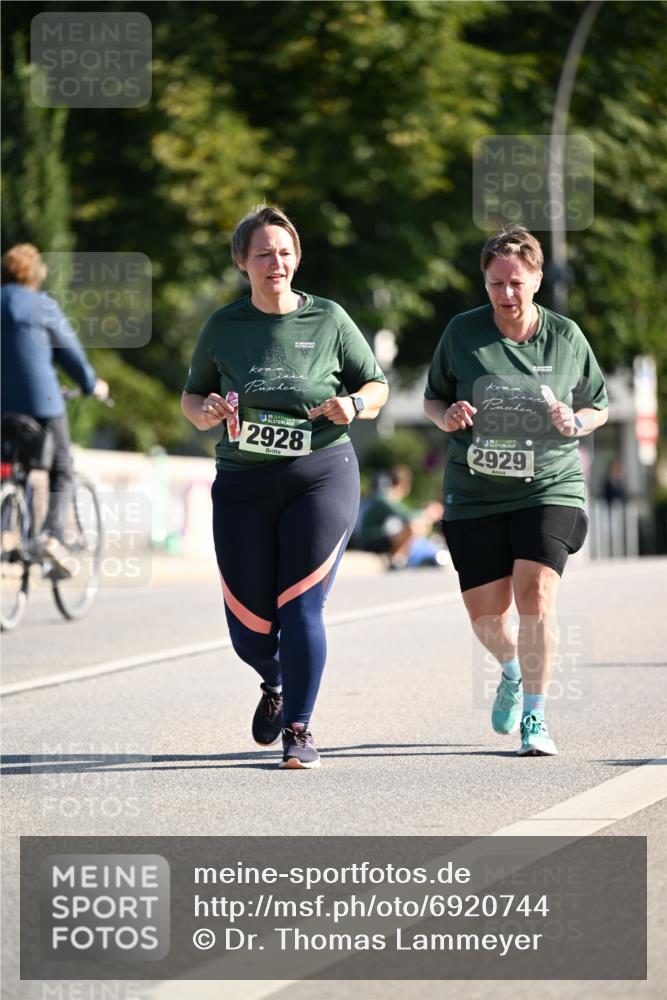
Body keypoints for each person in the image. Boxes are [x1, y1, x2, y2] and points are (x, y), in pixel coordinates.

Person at [182, 205, 388, 769]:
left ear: (297, 257)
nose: (277, 262)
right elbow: (193, 397)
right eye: (264, 253)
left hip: (320, 473)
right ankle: (273, 682)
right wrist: (209, 411)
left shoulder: (329, 319)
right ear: (242, 263)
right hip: (244, 482)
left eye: (285, 252)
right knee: (250, 629)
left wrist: (353, 403)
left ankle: (299, 726)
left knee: (300, 607)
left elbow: (376, 384)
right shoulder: (225, 326)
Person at [424, 225, 608, 756]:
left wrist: (576, 420)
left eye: (517, 283)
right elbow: (434, 399)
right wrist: (448, 415)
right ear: (485, 282)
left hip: (548, 484)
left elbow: (599, 403)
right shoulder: (462, 333)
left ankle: (535, 718)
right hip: (475, 491)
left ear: (537, 280)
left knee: (537, 592)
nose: (507, 294)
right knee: (486, 617)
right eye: (496, 283)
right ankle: (510, 669)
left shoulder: (567, 337)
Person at [1, 243, 109, 574]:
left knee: (9, 463)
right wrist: (93, 385)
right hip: (41, 402)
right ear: (35, 276)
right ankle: (52, 538)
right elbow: (71, 354)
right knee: (62, 467)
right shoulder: (42, 305)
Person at [359, 464, 446, 568]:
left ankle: (400, 559)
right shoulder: (383, 498)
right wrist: (427, 512)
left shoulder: (387, 498)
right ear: (406, 485)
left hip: (380, 538)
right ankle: (398, 559)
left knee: (419, 524)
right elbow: (406, 516)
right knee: (414, 527)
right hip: (370, 540)